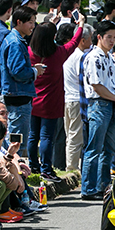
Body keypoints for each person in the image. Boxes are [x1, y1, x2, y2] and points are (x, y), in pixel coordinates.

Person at [28, 14, 85, 182]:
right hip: (51, 101)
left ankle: (33, 165)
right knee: (47, 137)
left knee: (33, 135)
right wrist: (80, 24)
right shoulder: (58, 54)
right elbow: (74, 43)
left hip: (33, 100)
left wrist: (49, 24)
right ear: (53, 37)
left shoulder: (30, 52)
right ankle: (46, 168)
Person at [81, 21, 115, 200]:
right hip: (99, 104)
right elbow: (96, 85)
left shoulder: (108, 57)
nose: (112, 40)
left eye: (114, 37)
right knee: (94, 147)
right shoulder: (94, 57)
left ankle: (103, 185)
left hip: (112, 104)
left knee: (109, 149)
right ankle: (89, 188)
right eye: (109, 37)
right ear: (99, 37)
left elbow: (112, 83)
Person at [0, 6, 45, 157]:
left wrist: (32, 68)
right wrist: (34, 71)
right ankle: (15, 170)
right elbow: (18, 72)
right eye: (30, 22)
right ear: (19, 22)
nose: (33, 26)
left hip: (17, 93)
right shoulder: (15, 43)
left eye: (34, 22)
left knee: (16, 136)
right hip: (18, 96)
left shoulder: (15, 40)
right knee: (17, 140)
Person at [62, 23, 94, 172]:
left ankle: (71, 167)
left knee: (71, 136)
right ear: (83, 40)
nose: (92, 41)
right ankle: (72, 169)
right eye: (91, 38)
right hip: (77, 100)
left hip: (68, 98)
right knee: (75, 138)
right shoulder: (81, 57)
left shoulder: (70, 54)